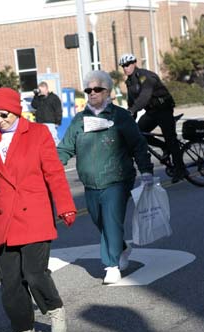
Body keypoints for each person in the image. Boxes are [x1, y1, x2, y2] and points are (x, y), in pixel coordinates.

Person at [0, 87, 76, 332]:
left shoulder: (38, 133)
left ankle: (54, 308)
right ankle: (22, 328)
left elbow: (53, 173)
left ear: (16, 111)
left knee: (34, 272)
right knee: (10, 280)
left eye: (3, 114)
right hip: (2, 218)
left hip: (34, 214)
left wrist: (65, 206)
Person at [57, 70, 153, 285]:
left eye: (97, 89)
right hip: (90, 184)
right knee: (101, 222)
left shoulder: (120, 116)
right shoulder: (79, 120)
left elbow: (138, 144)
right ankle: (121, 247)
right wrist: (51, 167)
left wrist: (146, 170)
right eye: (88, 90)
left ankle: (111, 265)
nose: (92, 93)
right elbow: (64, 148)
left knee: (111, 220)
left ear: (108, 92)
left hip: (117, 180)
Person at [119, 53, 187, 183]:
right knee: (140, 133)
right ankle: (164, 147)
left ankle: (180, 169)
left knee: (171, 139)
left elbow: (145, 96)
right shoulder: (129, 81)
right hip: (151, 112)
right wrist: (129, 117)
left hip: (164, 110)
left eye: (127, 65)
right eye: (123, 66)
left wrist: (133, 110)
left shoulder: (145, 76)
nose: (125, 68)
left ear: (134, 63)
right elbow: (131, 101)